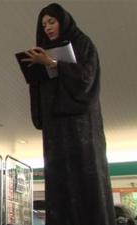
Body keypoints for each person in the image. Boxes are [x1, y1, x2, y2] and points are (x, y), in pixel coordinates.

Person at [22, 3, 116, 225]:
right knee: (60, 183)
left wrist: (53, 63)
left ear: (63, 21)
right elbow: (42, 91)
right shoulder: (42, 50)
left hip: (82, 129)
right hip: (56, 133)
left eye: (52, 21)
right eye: (43, 24)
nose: (47, 28)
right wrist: (35, 72)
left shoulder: (83, 43)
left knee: (87, 181)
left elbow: (86, 80)